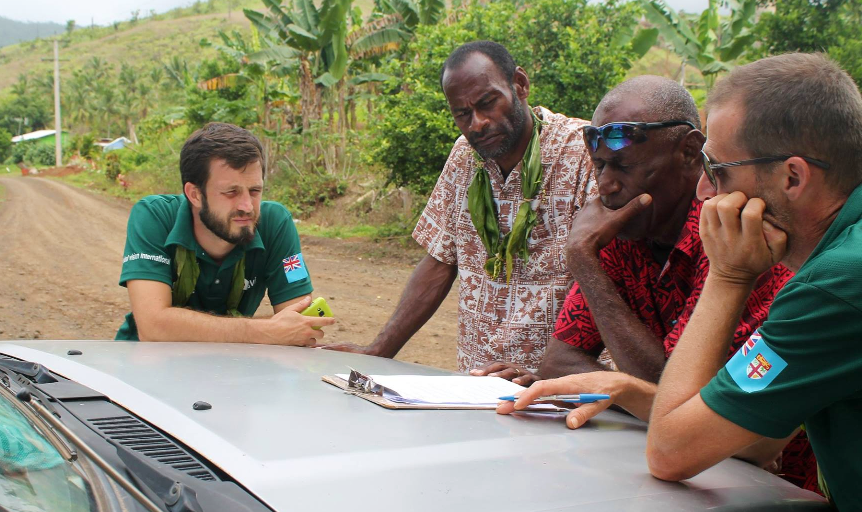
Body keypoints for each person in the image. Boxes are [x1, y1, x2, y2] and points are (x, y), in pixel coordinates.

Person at [645, 53, 862, 509]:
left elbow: (669, 452)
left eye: (716, 170)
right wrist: (628, 390)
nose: (704, 192)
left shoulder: (836, 285)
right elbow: (761, 438)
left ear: (792, 176)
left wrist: (728, 276)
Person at [479, 76, 792, 385]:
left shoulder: (737, 239)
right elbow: (560, 363)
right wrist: (620, 392)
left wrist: (584, 262)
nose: (606, 185)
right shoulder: (621, 233)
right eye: (599, 166)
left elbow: (681, 395)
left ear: (689, 152)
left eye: (624, 166)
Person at [325, 41, 597, 376]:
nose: (477, 123)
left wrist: (550, 376)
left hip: (564, 393)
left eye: (488, 103)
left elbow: (605, 275)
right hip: (476, 386)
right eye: (462, 114)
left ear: (520, 85)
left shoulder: (583, 152)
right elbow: (440, 259)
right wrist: (379, 350)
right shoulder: (465, 157)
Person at [115, 122, 334, 343]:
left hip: (235, 368)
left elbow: (300, 325)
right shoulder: (155, 216)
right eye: (231, 192)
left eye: (255, 191)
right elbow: (153, 328)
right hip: (147, 368)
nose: (247, 206)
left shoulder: (276, 224)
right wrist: (262, 331)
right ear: (195, 194)